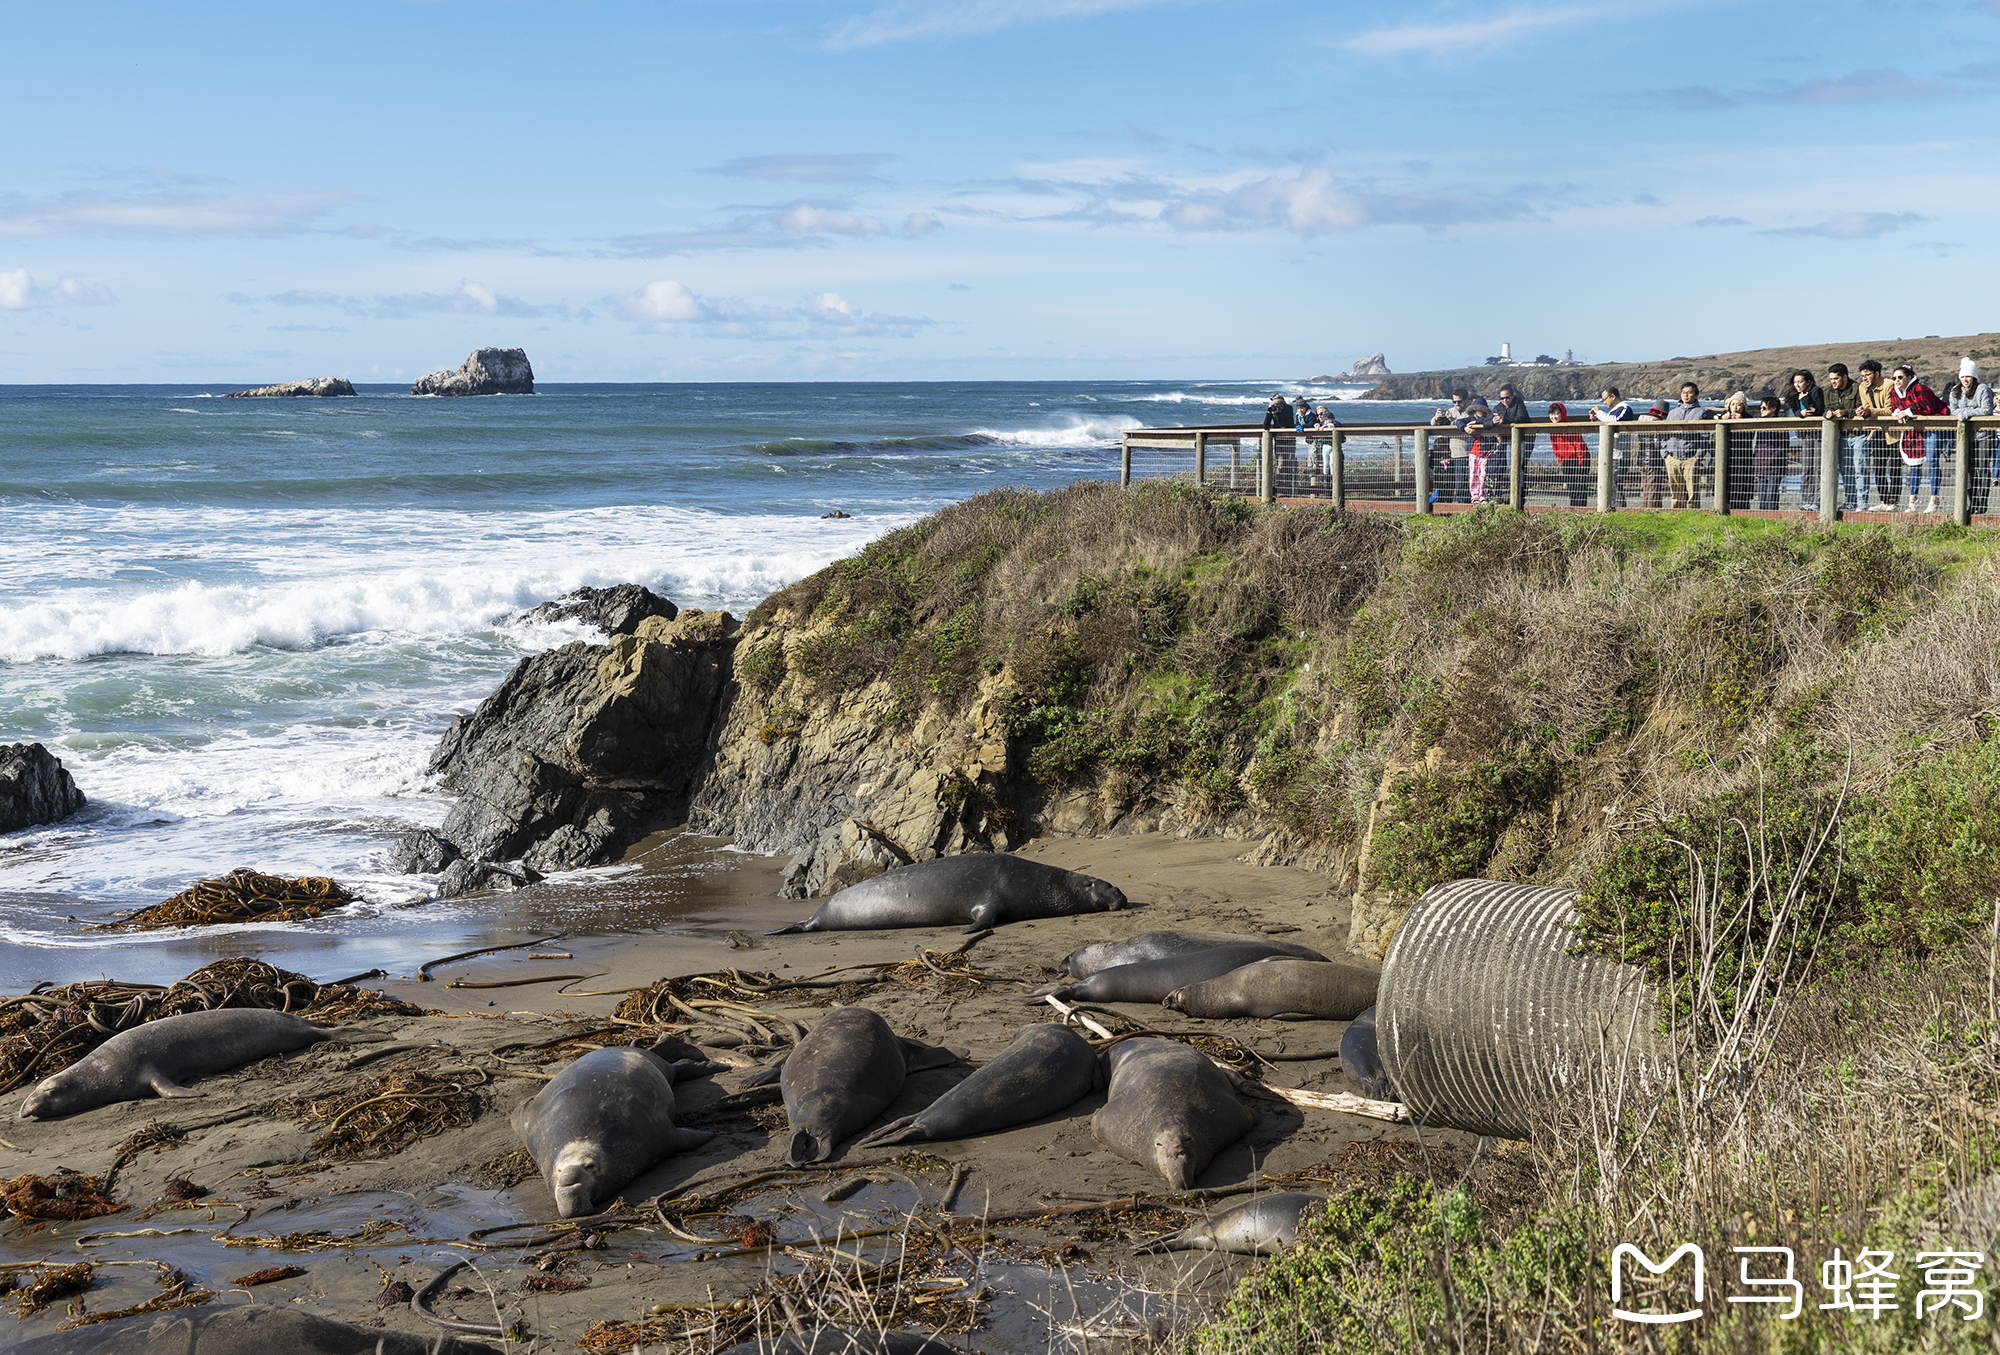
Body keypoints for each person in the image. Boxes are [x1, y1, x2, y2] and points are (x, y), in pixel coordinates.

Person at [1890, 365, 1949, 513]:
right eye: (1894, 378)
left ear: (1909, 378)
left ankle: (1934, 498)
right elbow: (1894, 407)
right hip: (1914, 430)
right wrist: (1898, 412)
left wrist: (1906, 412)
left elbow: (1927, 407)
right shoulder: (1894, 392)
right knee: (1913, 462)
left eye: (1900, 377)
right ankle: (1913, 499)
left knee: (1932, 461)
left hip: (1932, 426)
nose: (1896, 380)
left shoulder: (1920, 389)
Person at [1948, 358, 1994, 514]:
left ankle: (1982, 504)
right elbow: (1952, 410)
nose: (1965, 380)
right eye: (1962, 376)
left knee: (1982, 469)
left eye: (1968, 376)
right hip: (1964, 437)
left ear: (1974, 376)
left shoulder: (1983, 389)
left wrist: (1967, 413)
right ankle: (1972, 503)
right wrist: (1970, 410)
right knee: (1966, 470)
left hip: (1983, 436)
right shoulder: (1955, 391)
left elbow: (1986, 410)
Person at [1822, 363, 1866, 512]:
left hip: (1859, 434)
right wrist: (1827, 414)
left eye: (1835, 379)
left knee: (1860, 469)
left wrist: (1845, 413)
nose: (1832, 382)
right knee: (1846, 470)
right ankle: (1850, 501)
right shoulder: (1828, 392)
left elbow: (1861, 408)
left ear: (1845, 377)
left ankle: (1862, 503)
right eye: (1831, 379)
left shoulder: (1858, 388)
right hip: (1842, 436)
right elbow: (1826, 408)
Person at [1856, 359, 1897, 510]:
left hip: (1893, 432)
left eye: (1867, 375)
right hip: (1876, 430)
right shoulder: (1862, 387)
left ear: (1877, 374)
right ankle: (1884, 500)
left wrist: (1870, 412)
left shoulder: (1888, 385)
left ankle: (1894, 502)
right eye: (1862, 375)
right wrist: (1861, 411)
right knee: (1879, 467)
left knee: (1894, 468)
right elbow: (1866, 406)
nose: (1864, 378)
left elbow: (1890, 410)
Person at [1662, 382, 1709, 510]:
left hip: (1691, 457)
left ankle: (1693, 515)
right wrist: (1665, 454)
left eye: (1689, 392)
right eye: (1684, 392)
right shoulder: (1673, 413)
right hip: (1672, 457)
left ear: (1696, 395)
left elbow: (1705, 437)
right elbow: (1664, 434)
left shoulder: (1701, 413)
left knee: (1692, 491)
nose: (1686, 395)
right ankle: (1676, 514)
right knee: (1675, 491)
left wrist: (1697, 456)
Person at [1784, 370, 1827, 509]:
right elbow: (1795, 411)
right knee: (1807, 467)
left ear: (1808, 382)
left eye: (1800, 382)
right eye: (1796, 382)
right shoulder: (1793, 394)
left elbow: (1818, 409)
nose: (1797, 385)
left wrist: (1804, 400)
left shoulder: (1816, 391)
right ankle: (1807, 499)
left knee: (1818, 467)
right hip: (1806, 433)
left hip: (1819, 433)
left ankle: (1817, 501)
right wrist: (1800, 412)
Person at [1592, 386, 1635, 508]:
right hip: (1612, 454)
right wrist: (1596, 419)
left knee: (1616, 485)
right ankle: (1612, 508)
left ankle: (1620, 510)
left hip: (1620, 455)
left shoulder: (1625, 408)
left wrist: (1599, 413)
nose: (1604, 402)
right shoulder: (1613, 411)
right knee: (1610, 485)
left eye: (1605, 399)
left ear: (1613, 396)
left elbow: (1615, 421)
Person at [1430, 391, 1475, 504]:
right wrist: (1436, 418)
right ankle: (1456, 509)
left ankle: (1467, 509)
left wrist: (1452, 421)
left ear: (1466, 400)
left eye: (1459, 401)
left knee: (1466, 485)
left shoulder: (1471, 411)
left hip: (1466, 452)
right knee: (1454, 485)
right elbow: (1432, 425)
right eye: (1454, 401)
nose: (1456, 404)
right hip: (1453, 454)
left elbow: (1467, 424)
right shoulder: (1451, 411)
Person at [1547, 401, 1592, 506]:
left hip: (1580, 458)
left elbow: (1578, 444)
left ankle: (1581, 508)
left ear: (1562, 413)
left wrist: (1581, 461)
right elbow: (1555, 447)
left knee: (1580, 485)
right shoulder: (1551, 428)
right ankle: (1573, 507)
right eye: (1552, 414)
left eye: (1557, 413)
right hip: (1566, 460)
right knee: (1571, 485)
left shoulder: (1569, 424)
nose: (1554, 417)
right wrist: (1561, 460)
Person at [1717, 390, 1753, 509]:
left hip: (1743, 458)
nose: (1735, 407)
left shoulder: (1749, 418)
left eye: (1739, 404)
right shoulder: (1724, 416)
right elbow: (1709, 416)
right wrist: (1722, 418)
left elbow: (1750, 436)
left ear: (1743, 406)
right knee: (1726, 486)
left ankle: (1743, 510)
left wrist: (1741, 422)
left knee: (1742, 488)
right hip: (1727, 456)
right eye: (1733, 404)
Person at [1753, 394, 1788, 510]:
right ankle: (1762, 515)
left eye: (1764, 408)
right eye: (1760, 408)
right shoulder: (1760, 424)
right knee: (1762, 495)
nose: (1761, 410)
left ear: (1773, 408)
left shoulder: (1780, 425)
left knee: (1771, 494)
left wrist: (1774, 459)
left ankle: (1772, 515)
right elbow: (1757, 445)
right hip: (1761, 465)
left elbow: (1784, 446)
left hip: (1774, 466)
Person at [1634, 402, 1668, 509]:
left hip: (1641, 458)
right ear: (1662, 413)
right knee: (1654, 488)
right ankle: (1653, 510)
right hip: (1654, 459)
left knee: (1646, 488)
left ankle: (1645, 509)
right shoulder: (1657, 423)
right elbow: (1658, 443)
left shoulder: (1641, 419)